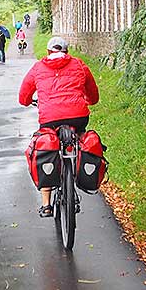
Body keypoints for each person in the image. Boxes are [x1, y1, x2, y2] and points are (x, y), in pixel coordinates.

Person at [18, 36, 99, 217]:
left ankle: (46, 204)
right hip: (78, 117)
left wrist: (28, 101)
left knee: (46, 148)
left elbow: (23, 97)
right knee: (79, 138)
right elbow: (93, 95)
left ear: (48, 53)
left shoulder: (38, 67)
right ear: (66, 52)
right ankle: (78, 171)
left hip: (49, 120)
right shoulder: (79, 65)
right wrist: (88, 100)